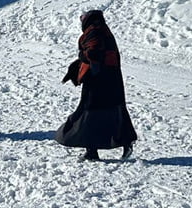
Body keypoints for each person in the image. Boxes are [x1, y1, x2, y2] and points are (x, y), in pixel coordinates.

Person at [56, 10, 138, 161]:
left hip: (98, 81)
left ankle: (91, 152)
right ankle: (126, 142)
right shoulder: (104, 30)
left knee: (89, 114)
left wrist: (82, 57)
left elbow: (93, 53)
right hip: (113, 78)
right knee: (115, 111)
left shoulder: (93, 31)